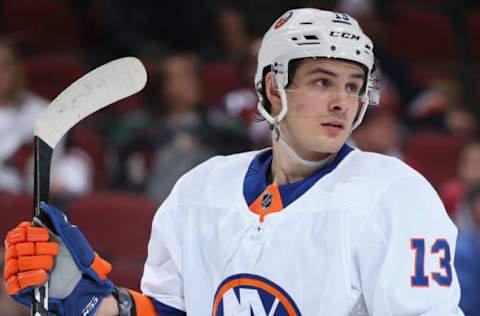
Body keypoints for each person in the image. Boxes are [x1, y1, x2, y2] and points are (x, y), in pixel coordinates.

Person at [3, 8, 464, 315]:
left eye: (353, 85)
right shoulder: (200, 190)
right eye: (323, 81)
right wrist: (80, 296)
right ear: (271, 89)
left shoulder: (395, 195)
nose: (343, 102)